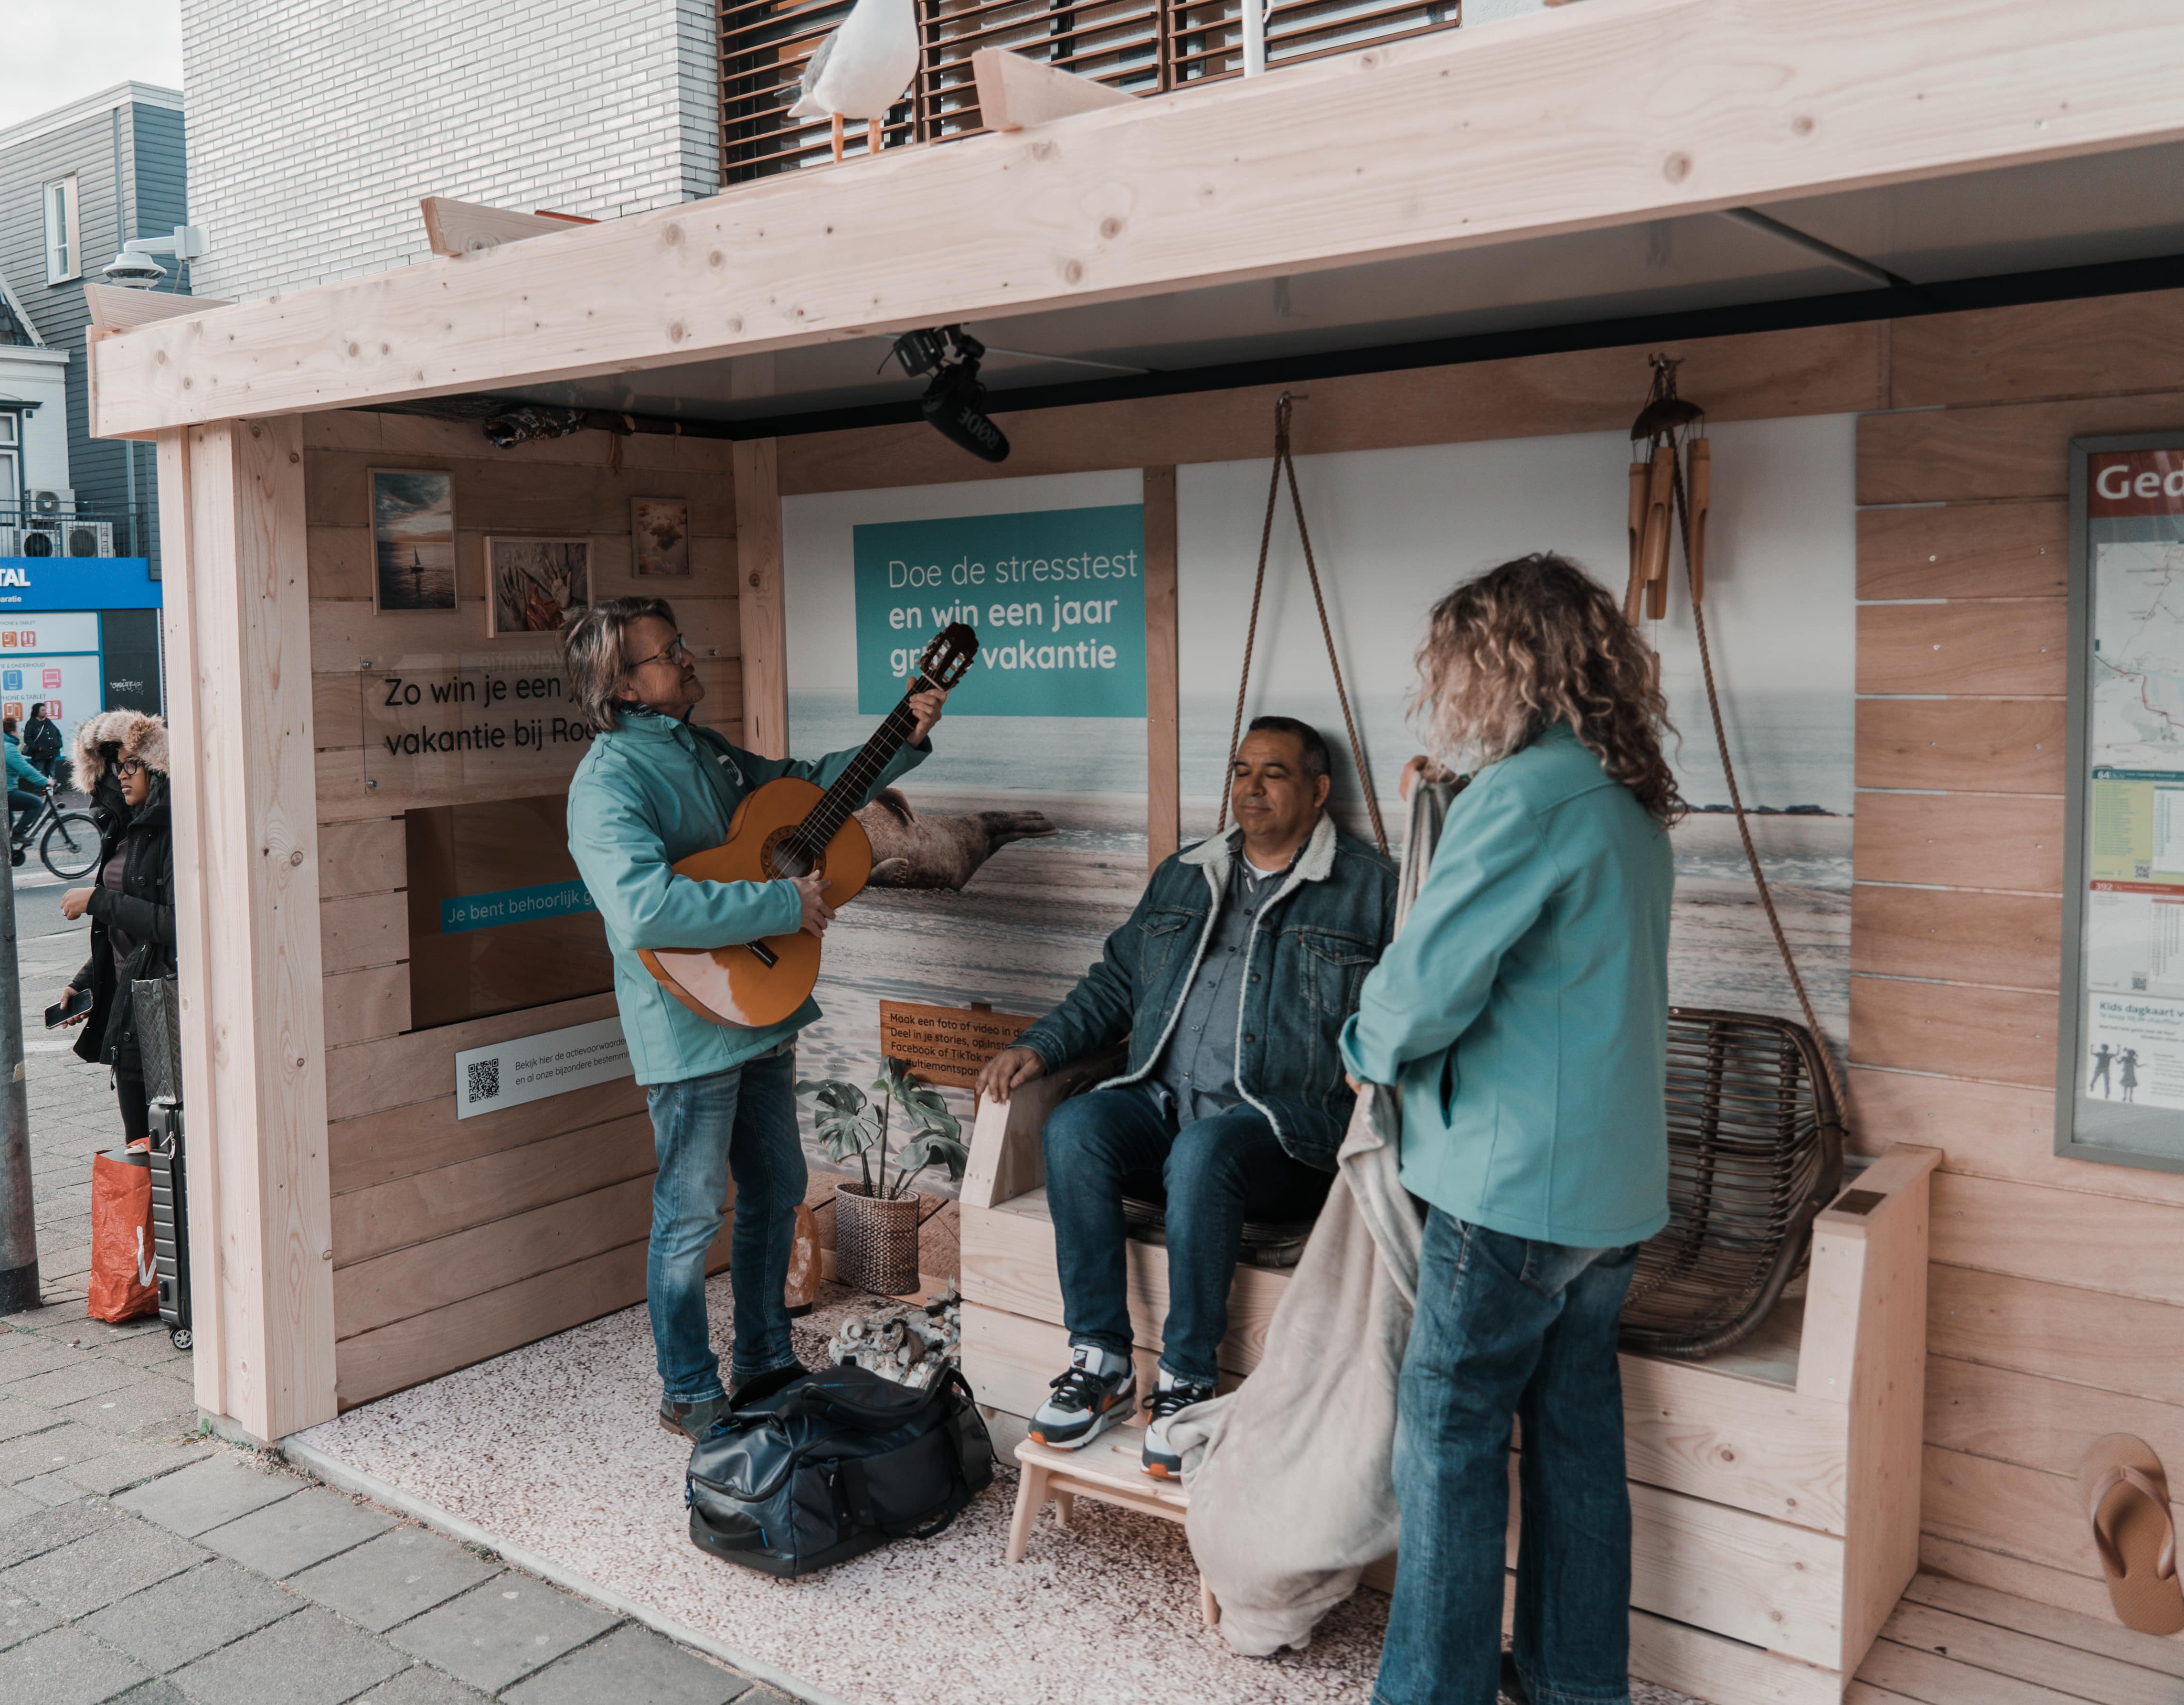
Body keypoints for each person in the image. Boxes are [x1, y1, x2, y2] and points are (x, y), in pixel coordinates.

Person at [1339, 554, 1677, 1705]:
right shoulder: (1625, 795)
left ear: (1505, 665)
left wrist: (1358, 1051)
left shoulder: (1524, 796)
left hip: (1510, 1190)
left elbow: (1425, 983)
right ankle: (1577, 1685)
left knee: (1447, 1435)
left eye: (1457, 664)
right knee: (1578, 1442)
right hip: (1613, 1192)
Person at [562, 596, 944, 1443]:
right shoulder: (608, 784)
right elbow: (642, 908)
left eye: (683, 645)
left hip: (761, 1011)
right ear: (624, 686)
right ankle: (689, 1390)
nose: (690, 660)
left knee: (774, 1191)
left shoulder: (704, 750)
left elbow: (806, 788)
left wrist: (900, 738)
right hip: (688, 1026)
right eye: (670, 654)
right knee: (692, 1213)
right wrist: (780, 901)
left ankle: (766, 1358)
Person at [978, 717, 1398, 1477]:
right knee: (1076, 1127)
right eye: (1242, 769)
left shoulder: (1371, 890)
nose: (1252, 786)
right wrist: (1038, 1046)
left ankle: (1187, 1379)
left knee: (1207, 1153)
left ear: (1319, 789)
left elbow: (1410, 1007)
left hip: (1283, 1133)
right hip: (1163, 1108)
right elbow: (1116, 982)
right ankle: (1100, 1360)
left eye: (1274, 772)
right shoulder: (1187, 873)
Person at [54, 711, 175, 1142]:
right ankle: (148, 1213)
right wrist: (86, 982)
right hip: (129, 1006)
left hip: (164, 1007)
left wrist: (98, 901)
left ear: (155, 766)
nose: (121, 776)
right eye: (114, 767)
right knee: (139, 1142)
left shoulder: (172, 833)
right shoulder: (125, 831)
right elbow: (127, 936)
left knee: (166, 1140)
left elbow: (178, 925)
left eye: (130, 764)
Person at [1, 717, 49, 855]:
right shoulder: (9, 748)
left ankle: (7, 854)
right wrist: (45, 781)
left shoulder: (3, 745)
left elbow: (16, 769)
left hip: (2, 792)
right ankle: (18, 833)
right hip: (7, 793)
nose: (18, 732)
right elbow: (25, 769)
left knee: (7, 826)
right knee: (35, 803)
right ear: (12, 731)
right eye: (17, 729)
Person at [22, 705, 64, 783]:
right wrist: (38, 748)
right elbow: (28, 739)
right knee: (39, 772)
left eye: (45, 710)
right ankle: (39, 790)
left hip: (52, 752)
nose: (46, 712)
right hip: (40, 754)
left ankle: (53, 789)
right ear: (37, 712)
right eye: (43, 710)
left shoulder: (48, 722)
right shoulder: (31, 723)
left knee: (51, 772)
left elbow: (58, 733)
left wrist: (58, 744)